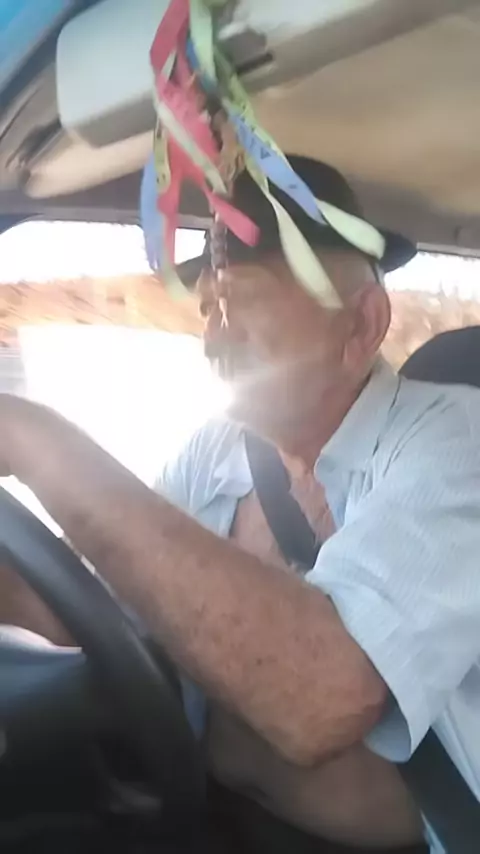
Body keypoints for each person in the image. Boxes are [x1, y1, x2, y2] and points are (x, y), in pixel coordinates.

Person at [0, 156, 479, 853]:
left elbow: (324, 700)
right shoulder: (216, 448)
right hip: (212, 815)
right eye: (209, 310)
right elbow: (95, 606)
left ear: (360, 326)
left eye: (243, 305)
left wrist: (35, 440)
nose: (215, 341)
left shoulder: (456, 442)